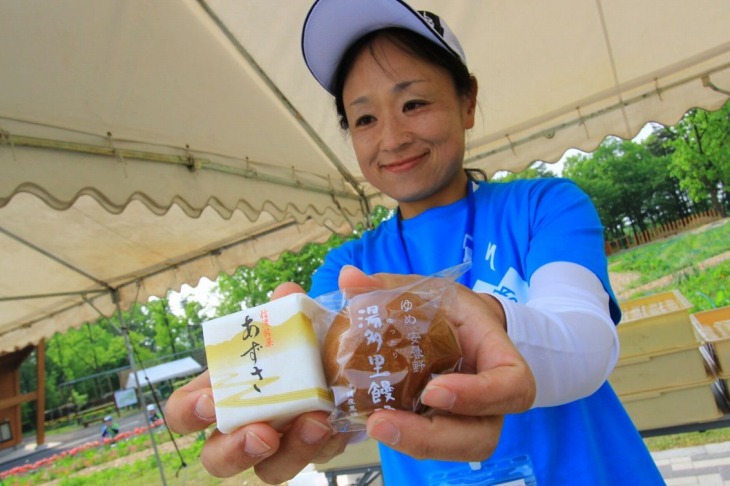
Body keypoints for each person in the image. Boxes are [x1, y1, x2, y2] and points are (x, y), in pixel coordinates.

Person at [165, 0, 665, 484]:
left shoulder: (545, 206)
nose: (393, 137)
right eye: (364, 119)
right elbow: (332, 391)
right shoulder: (348, 268)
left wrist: (472, 330)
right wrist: (270, 398)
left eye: (414, 103)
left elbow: (587, 342)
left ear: (467, 101)